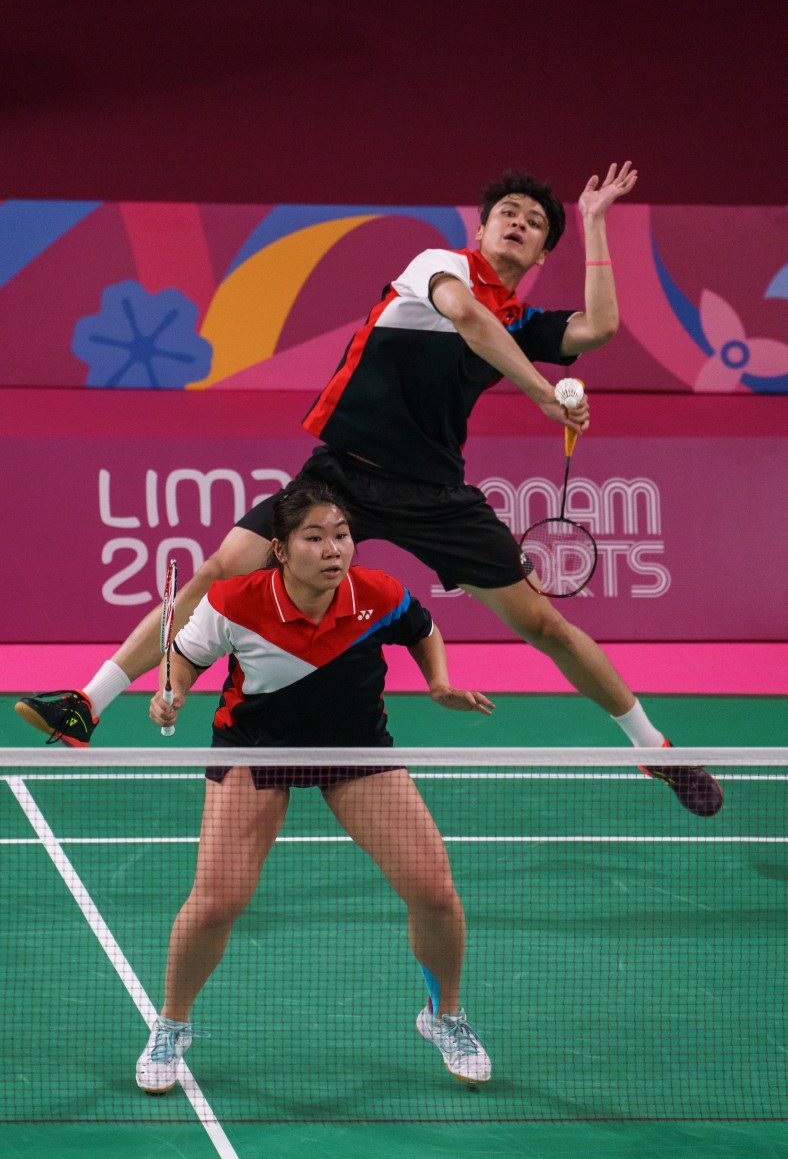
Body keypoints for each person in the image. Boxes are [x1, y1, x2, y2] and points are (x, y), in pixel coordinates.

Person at [16, 162, 722, 817]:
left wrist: (595, 220)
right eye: (506, 211)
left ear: (541, 254)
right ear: (480, 228)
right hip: (342, 475)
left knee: (543, 625)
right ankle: (88, 702)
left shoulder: (520, 318)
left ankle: (652, 748)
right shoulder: (438, 267)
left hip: (435, 491)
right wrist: (541, 391)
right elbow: (469, 321)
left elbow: (598, 327)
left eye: (534, 222)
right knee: (219, 569)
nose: (517, 222)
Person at [135, 484, 493, 1093]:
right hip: (255, 750)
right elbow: (187, 658)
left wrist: (438, 681)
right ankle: (171, 1025)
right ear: (279, 549)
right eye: (315, 537)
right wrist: (169, 696)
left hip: (354, 751)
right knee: (217, 902)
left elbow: (423, 628)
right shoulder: (235, 601)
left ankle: (445, 1017)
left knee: (434, 889)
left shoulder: (377, 592)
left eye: (342, 535)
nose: (334, 550)